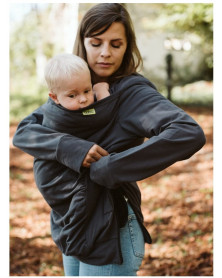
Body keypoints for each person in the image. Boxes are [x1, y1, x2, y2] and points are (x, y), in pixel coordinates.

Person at [13, 3, 206, 276]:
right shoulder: (75, 85)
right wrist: (71, 148)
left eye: (116, 44)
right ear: (82, 43)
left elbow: (188, 132)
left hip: (111, 230)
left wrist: (112, 167)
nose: (105, 53)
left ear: (127, 47)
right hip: (72, 225)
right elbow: (25, 132)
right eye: (96, 43)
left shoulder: (132, 94)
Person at [44, 53, 110, 111]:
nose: (83, 99)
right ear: (55, 97)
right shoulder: (61, 119)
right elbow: (102, 117)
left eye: (86, 91)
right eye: (72, 96)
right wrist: (103, 95)